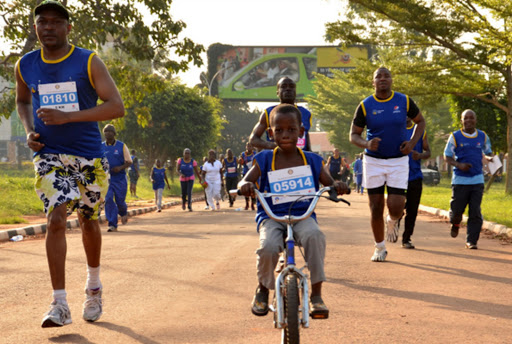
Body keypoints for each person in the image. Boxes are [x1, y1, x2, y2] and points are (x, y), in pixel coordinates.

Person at [15, 0, 124, 327]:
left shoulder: (88, 61)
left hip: (89, 156)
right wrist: (29, 130)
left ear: (68, 27)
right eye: (41, 22)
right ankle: (59, 303)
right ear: (35, 27)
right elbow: (22, 100)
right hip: (48, 154)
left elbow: (115, 106)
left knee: (89, 222)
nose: (48, 27)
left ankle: (93, 287)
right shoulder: (25, 65)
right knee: (57, 218)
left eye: (55, 22)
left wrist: (68, 118)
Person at [238, 104, 349, 319]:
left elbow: (330, 183)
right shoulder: (263, 159)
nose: (285, 134)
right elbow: (246, 179)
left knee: (315, 236)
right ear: (270, 133)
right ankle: (263, 287)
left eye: (291, 129)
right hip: (272, 216)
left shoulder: (313, 160)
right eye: (279, 130)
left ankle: (316, 295)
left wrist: (338, 186)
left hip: (302, 216)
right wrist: (245, 185)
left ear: (301, 132)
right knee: (268, 246)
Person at [350, 67, 426, 262]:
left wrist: (410, 143)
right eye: (378, 76)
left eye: (386, 76)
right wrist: (366, 143)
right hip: (373, 161)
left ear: (391, 80)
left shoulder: (404, 101)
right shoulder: (365, 105)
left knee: (396, 206)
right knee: (375, 207)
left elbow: (420, 122)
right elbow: (353, 135)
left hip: (398, 161)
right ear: (373, 82)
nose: (383, 78)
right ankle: (379, 247)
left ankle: (392, 221)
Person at [444, 109, 493, 249]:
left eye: (471, 118)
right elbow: (447, 156)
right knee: (457, 211)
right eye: (466, 118)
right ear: (462, 120)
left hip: (477, 179)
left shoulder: (482, 136)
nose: (469, 121)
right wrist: (459, 164)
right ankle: (455, 222)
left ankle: (472, 241)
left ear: (475, 120)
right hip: (460, 180)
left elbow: (488, 152)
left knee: (475, 211)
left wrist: (490, 159)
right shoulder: (455, 136)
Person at [249, 77, 312, 151]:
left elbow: (305, 137)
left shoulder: (306, 113)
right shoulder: (268, 113)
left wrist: (310, 157)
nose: (288, 89)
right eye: (283, 86)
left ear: (295, 91)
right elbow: (253, 139)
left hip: (299, 160)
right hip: (276, 159)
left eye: (292, 87)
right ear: (277, 92)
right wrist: (274, 146)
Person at [397, 117, 431, 249]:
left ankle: (406, 239)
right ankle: (394, 222)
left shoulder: (420, 131)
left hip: (415, 177)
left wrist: (420, 155)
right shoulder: (396, 131)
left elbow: (428, 152)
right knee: (398, 207)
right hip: (398, 177)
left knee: (412, 211)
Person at [102, 124, 132, 232]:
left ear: (114, 134)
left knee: (120, 201)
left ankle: (123, 212)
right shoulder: (101, 147)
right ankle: (112, 224)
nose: (108, 133)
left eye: (110, 131)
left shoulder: (122, 146)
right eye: (106, 131)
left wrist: (120, 168)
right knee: (108, 199)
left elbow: (129, 161)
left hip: (119, 179)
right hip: (107, 179)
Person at [239, 143, 256, 210]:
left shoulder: (255, 153)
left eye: (250, 146)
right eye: (248, 146)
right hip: (245, 173)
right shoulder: (243, 154)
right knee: (245, 188)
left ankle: (252, 204)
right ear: (246, 147)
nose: (249, 147)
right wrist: (240, 161)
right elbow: (241, 163)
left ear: (252, 147)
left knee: (252, 188)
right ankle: (247, 203)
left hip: (253, 173)